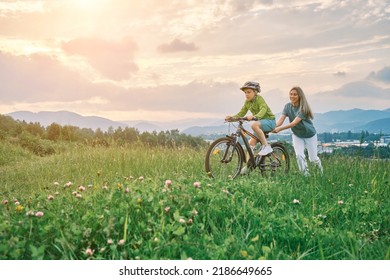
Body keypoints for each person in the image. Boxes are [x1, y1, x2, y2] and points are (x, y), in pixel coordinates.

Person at [273, 86, 323, 175]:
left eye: (295, 95)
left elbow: (293, 123)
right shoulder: (287, 106)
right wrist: (273, 127)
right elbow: (280, 121)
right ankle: (305, 175)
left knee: (313, 159)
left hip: (309, 135)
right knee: (299, 156)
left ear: (300, 96)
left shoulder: (303, 108)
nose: (292, 96)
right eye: (291, 94)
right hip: (297, 135)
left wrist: (279, 129)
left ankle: (320, 174)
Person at [225, 81, 276, 156]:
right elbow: (241, 113)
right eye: (245, 93)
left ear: (255, 92)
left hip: (270, 121)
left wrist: (255, 117)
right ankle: (249, 166)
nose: (246, 94)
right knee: (250, 145)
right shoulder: (247, 102)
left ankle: (266, 147)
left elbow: (263, 109)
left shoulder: (259, 99)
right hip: (260, 125)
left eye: (249, 92)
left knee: (254, 125)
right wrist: (232, 118)